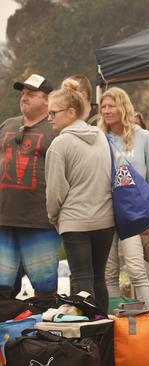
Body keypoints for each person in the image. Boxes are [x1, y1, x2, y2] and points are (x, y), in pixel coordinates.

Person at [44, 79, 114, 312]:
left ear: (71, 112)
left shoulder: (60, 144)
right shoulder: (101, 136)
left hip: (75, 221)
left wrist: (54, 218)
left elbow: (55, 191)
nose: (50, 118)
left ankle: (86, 340)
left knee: (82, 278)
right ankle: (104, 336)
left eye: (53, 113)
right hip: (105, 220)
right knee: (98, 279)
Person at [100, 87, 149, 311]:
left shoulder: (143, 136)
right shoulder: (99, 138)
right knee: (108, 272)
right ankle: (114, 321)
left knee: (136, 269)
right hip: (106, 212)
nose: (106, 111)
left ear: (123, 107)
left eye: (111, 106)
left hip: (134, 214)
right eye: (103, 107)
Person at [0, 74, 59, 299]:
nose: (24, 98)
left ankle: (42, 333)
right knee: (2, 289)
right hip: (3, 220)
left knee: (44, 289)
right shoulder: (8, 124)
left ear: (47, 100)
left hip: (39, 221)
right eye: (23, 94)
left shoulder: (55, 129)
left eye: (31, 94)